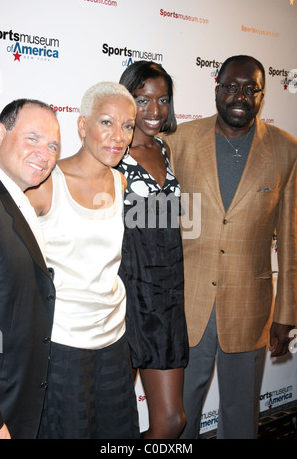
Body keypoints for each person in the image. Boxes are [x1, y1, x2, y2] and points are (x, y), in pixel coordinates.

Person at [163, 55, 297, 439]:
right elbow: (158, 225)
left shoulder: (286, 150)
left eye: (251, 88)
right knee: (179, 416)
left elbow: (289, 240)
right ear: (217, 87)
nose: (240, 96)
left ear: (262, 95)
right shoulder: (179, 142)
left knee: (241, 419)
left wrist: (286, 311)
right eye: (232, 86)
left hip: (251, 308)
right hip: (187, 305)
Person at [26, 81, 140, 439]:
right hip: (62, 345)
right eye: (106, 122)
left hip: (115, 341)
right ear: (82, 126)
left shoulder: (121, 183)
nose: (118, 136)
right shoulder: (46, 184)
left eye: (127, 126)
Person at [117, 61, 189, 439]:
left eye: (162, 99)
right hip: (125, 296)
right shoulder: (113, 151)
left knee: (172, 421)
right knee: (112, 419)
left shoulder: (165, 148)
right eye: (141, 100)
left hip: (166, 296)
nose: (154, 111)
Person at [0, 99, 61, 439]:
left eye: (52, 145)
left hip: (24, 398)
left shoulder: (19, 201)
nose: (44, 153)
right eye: (32, 138)